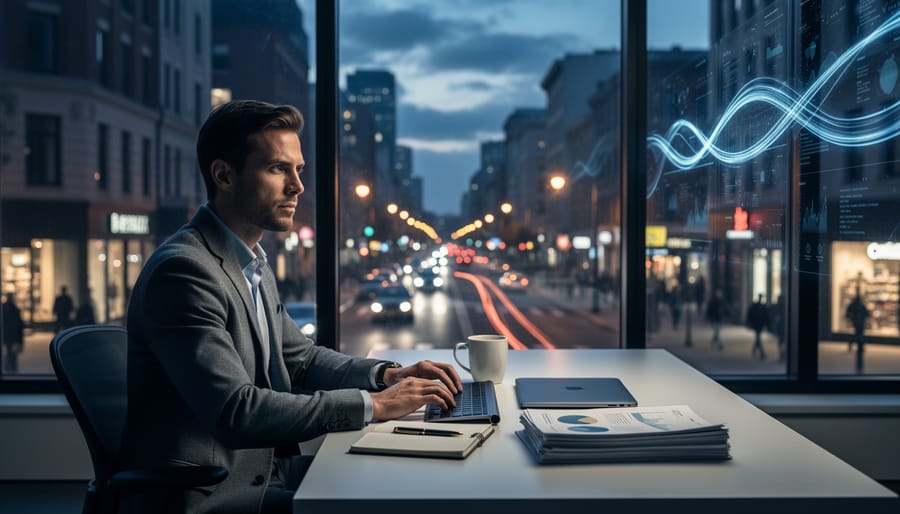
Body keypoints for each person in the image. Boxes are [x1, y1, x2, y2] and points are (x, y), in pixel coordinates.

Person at [120, 100, 463, 514]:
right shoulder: (185, 272)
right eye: (278, 169)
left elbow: (300, 360)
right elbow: (237, 411)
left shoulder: (250, 262)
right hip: (207, 495)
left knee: (405, 478)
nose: (298, 186)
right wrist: (376, 406)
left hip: (266, 470)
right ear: (224, 176)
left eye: (298, 170)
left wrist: (387, 374)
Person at [845, 294, 869, 373]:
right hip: (858, 322)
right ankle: (859, 346)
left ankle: (858, 346)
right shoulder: (859, 305)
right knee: (858, 335)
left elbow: (848, 313)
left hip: (858, 322)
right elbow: (867, 313)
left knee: (857, 334)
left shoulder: (856, 305)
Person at [1, 293, 25, 373]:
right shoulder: (15, 309)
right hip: (12, 335)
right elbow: (19, 326)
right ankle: (12, 369)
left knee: (9, 352)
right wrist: (20, 341)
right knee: (12, 354)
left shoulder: (4, 308)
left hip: (7, 334)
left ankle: (9, 368)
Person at [746, 294, 770, 360]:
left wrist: (767, 324)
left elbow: (766, 316)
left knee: (757, 338)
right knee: (758, 337)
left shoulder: (761, 306)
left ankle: (754, 350)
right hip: (757, 324)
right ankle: (762, 353)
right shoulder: (757, 306)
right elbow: (750, 314)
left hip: (759, 324)